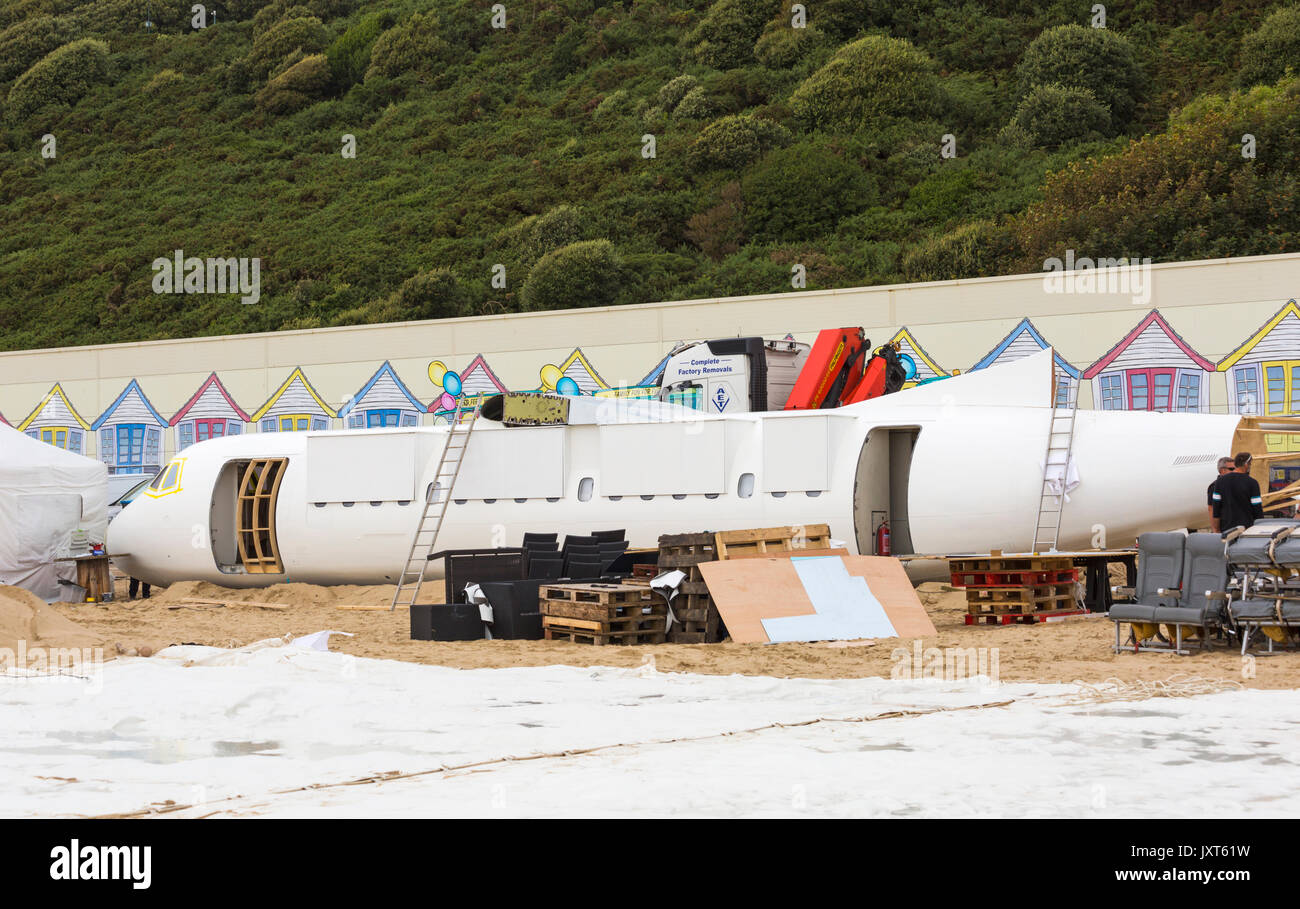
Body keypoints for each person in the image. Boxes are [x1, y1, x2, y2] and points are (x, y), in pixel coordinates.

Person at [1212, 452, 1265, 534]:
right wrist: (1260, 529)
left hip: (1226, 529)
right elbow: (1257, 509)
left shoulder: (1220, 482)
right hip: (1247, 529)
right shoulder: (1252, 483)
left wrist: (1216, 529)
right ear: (1246, 464)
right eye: (1250, 464)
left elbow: (1216, 508)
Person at [1208, 456, 1233, 532]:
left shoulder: (1236, 484)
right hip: (1224, 529)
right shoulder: (1214, 487)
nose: (1235, 471)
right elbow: (1211, 509)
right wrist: (1216, 530)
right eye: (1231, 469)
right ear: (1222, 471)